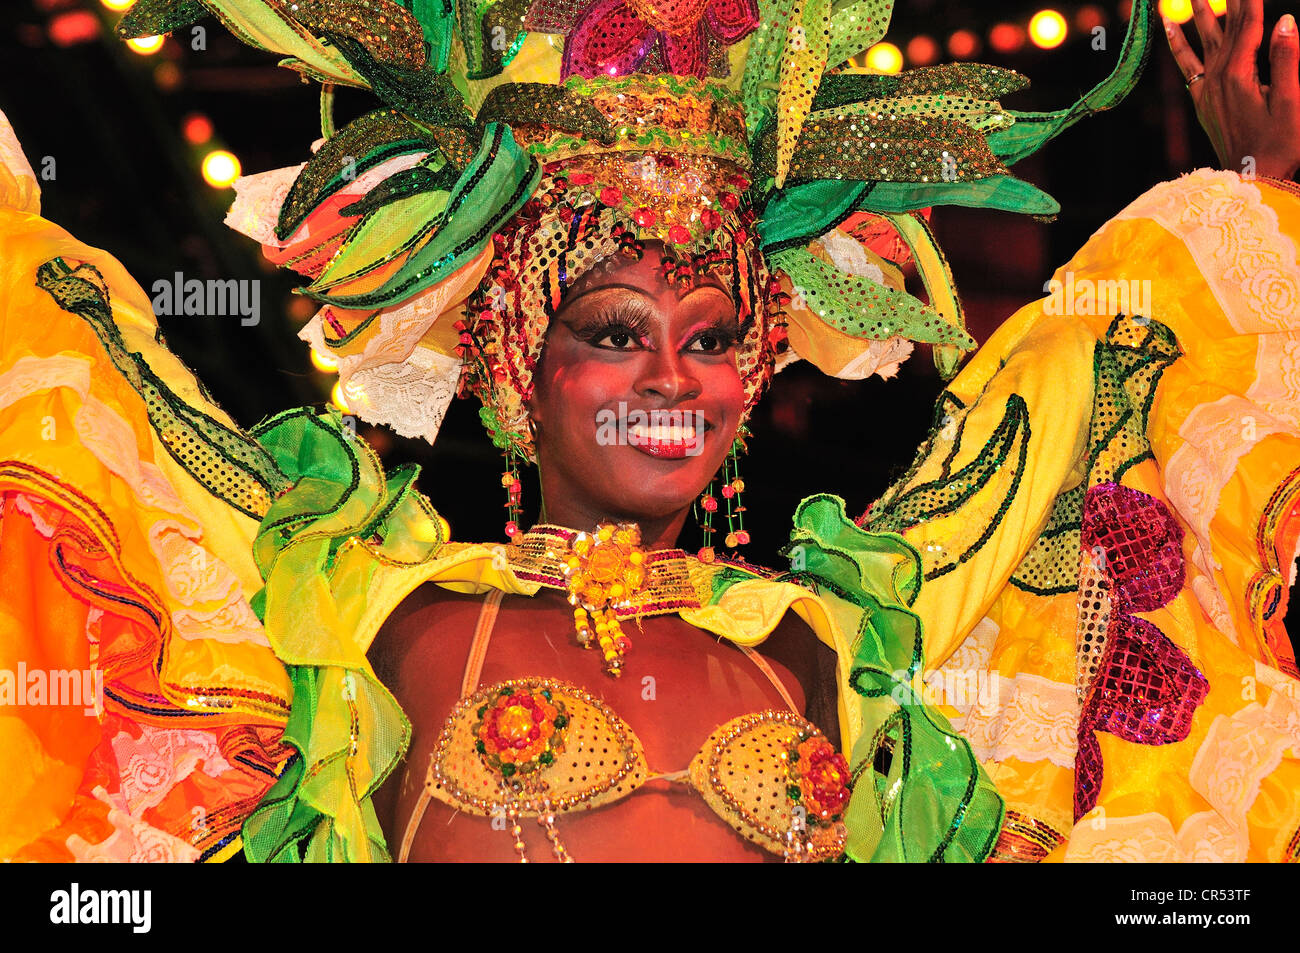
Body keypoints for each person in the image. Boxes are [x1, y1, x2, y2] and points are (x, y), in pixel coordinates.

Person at [0, 0, 1295, 863]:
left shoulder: (850, 648)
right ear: (520, 358)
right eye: (616, 329)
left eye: (717, 335)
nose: (672, 376)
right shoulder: (355, 622)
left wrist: (1253, 196)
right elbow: (95, 398)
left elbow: (1082, 385)